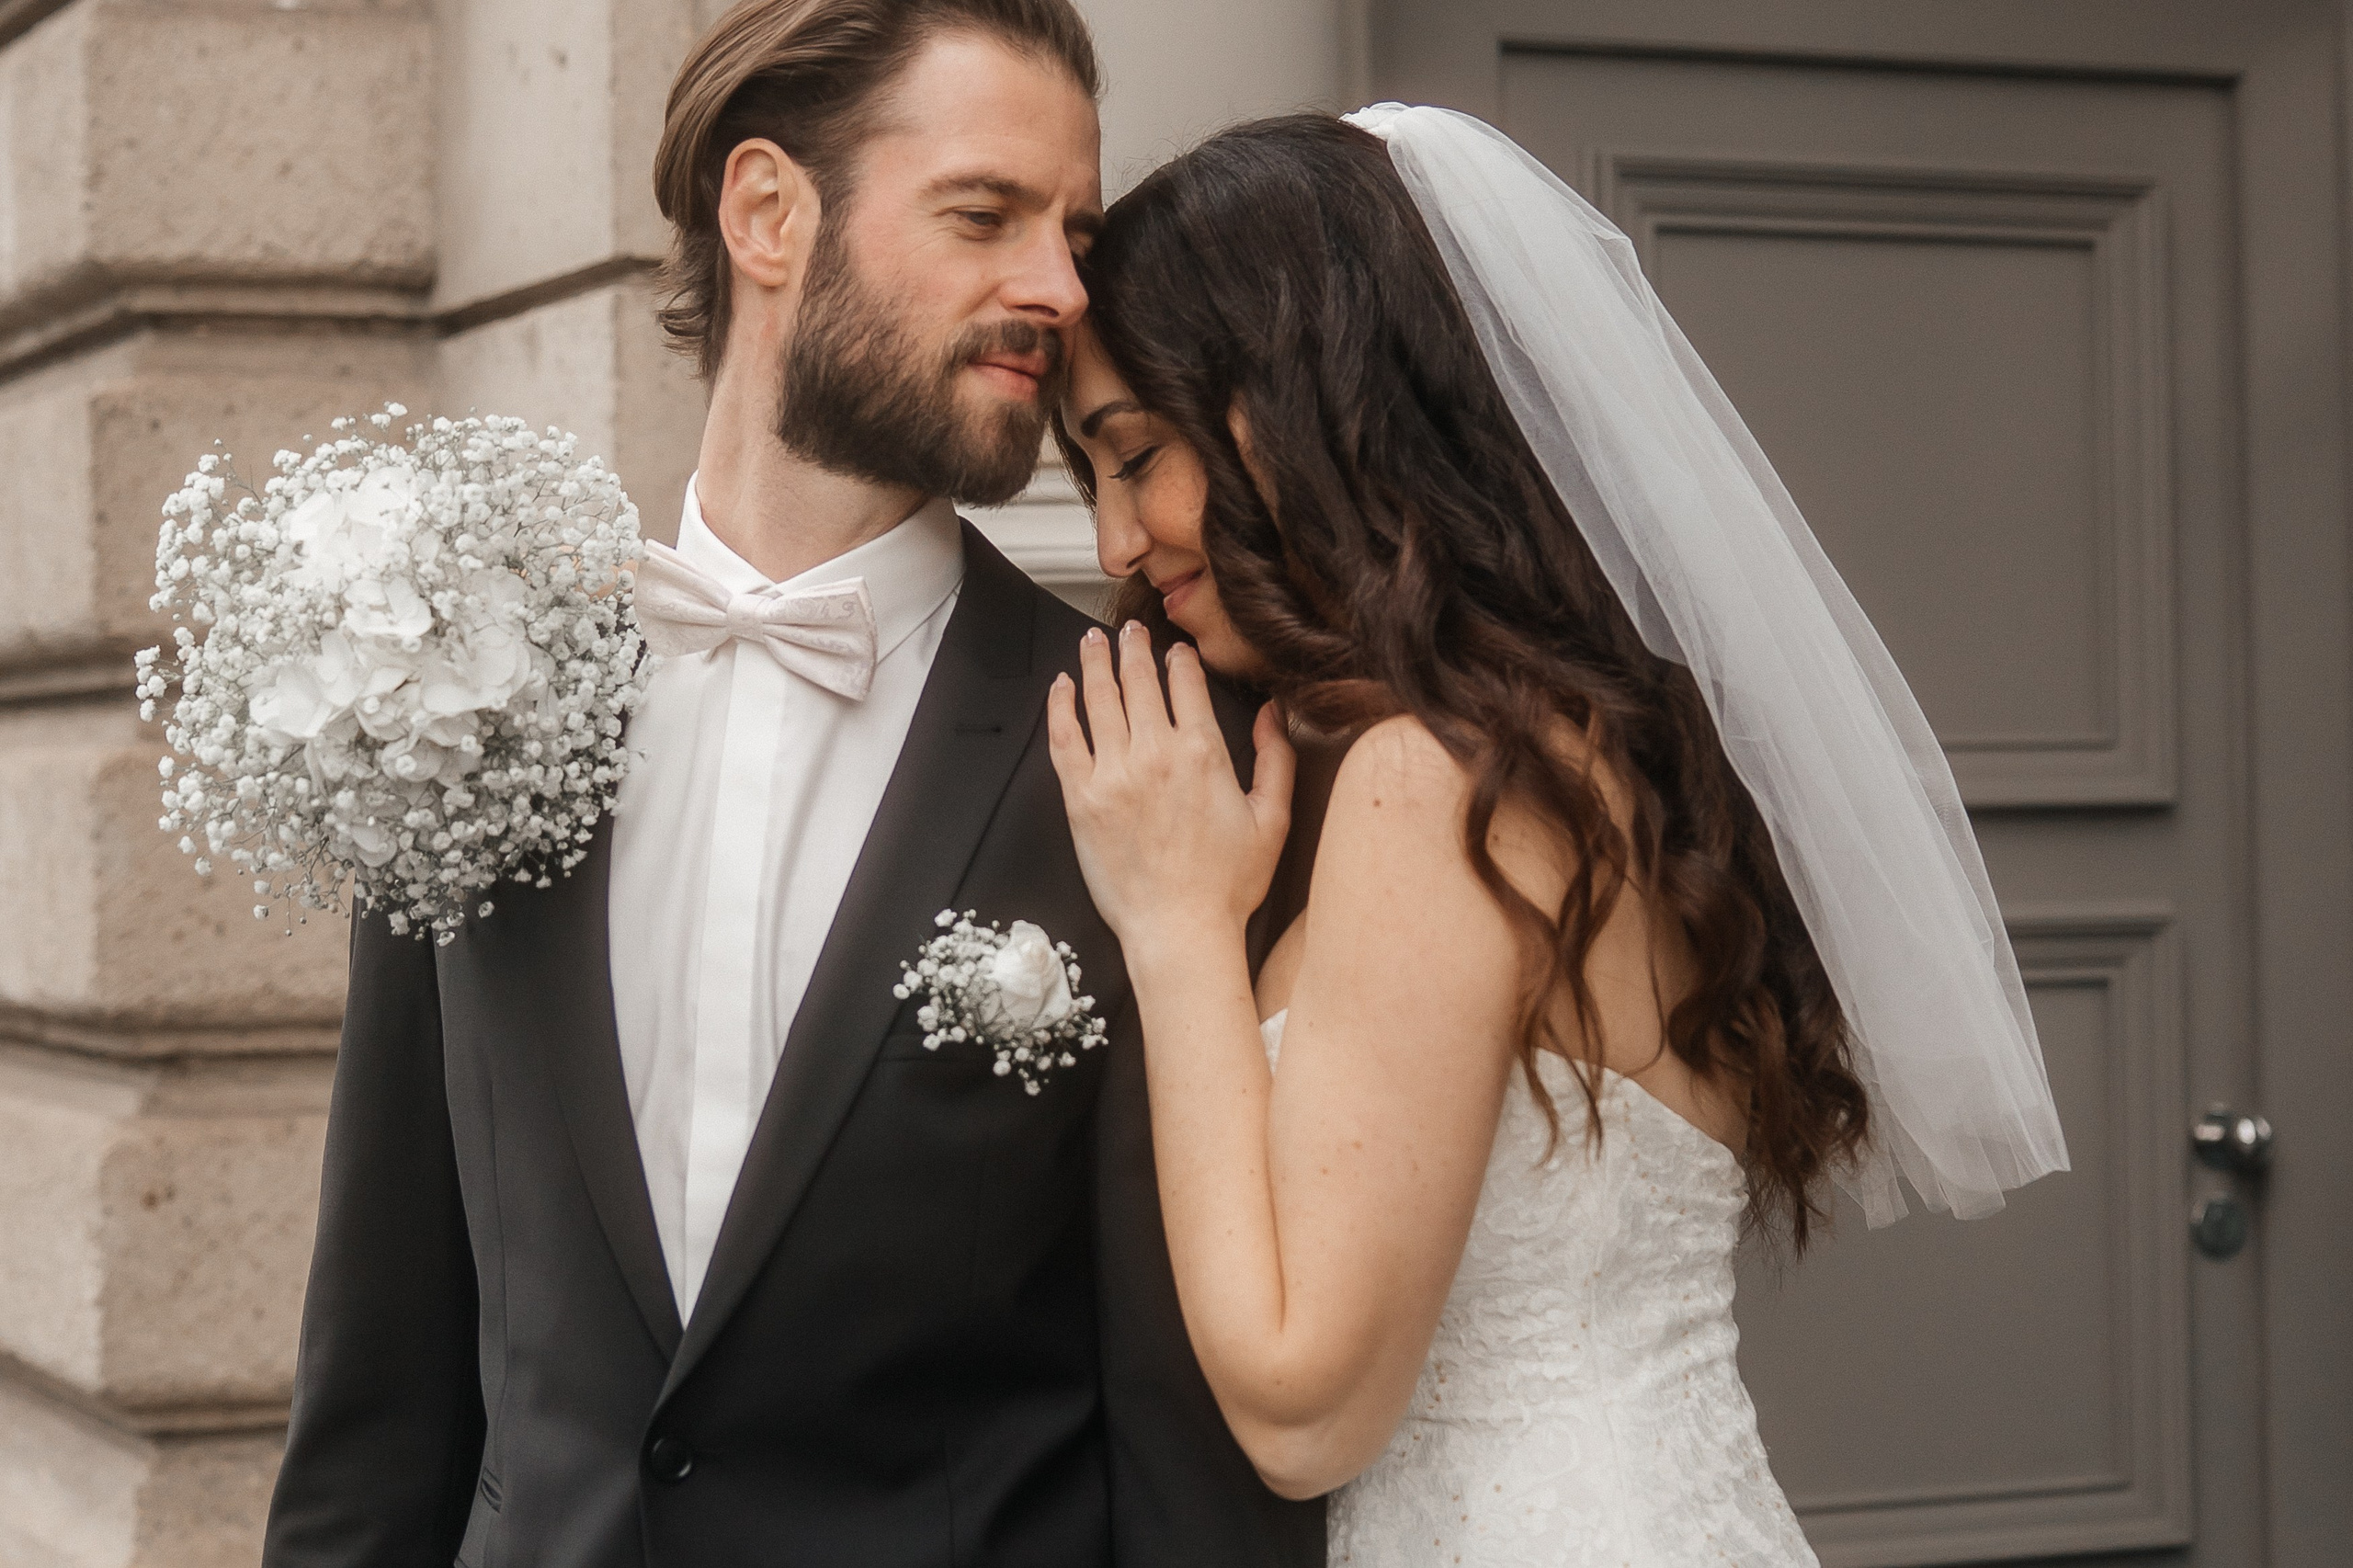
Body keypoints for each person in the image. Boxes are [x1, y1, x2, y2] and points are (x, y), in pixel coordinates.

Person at [261, 3, 1323, 1563]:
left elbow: (1191, 1454)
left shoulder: (1153, 749)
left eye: (1075, 230)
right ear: (766, 212)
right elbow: (379, 1387)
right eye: (986, 214)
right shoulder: (453, 695)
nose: (1060, 287)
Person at [1048, 108, 2068, 1565]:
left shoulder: (1432, 780)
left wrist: (1177, 926)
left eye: (1133, 453)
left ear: (1288, 408)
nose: (1114, 541)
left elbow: (1300, 1407)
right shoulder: (1592, 746)